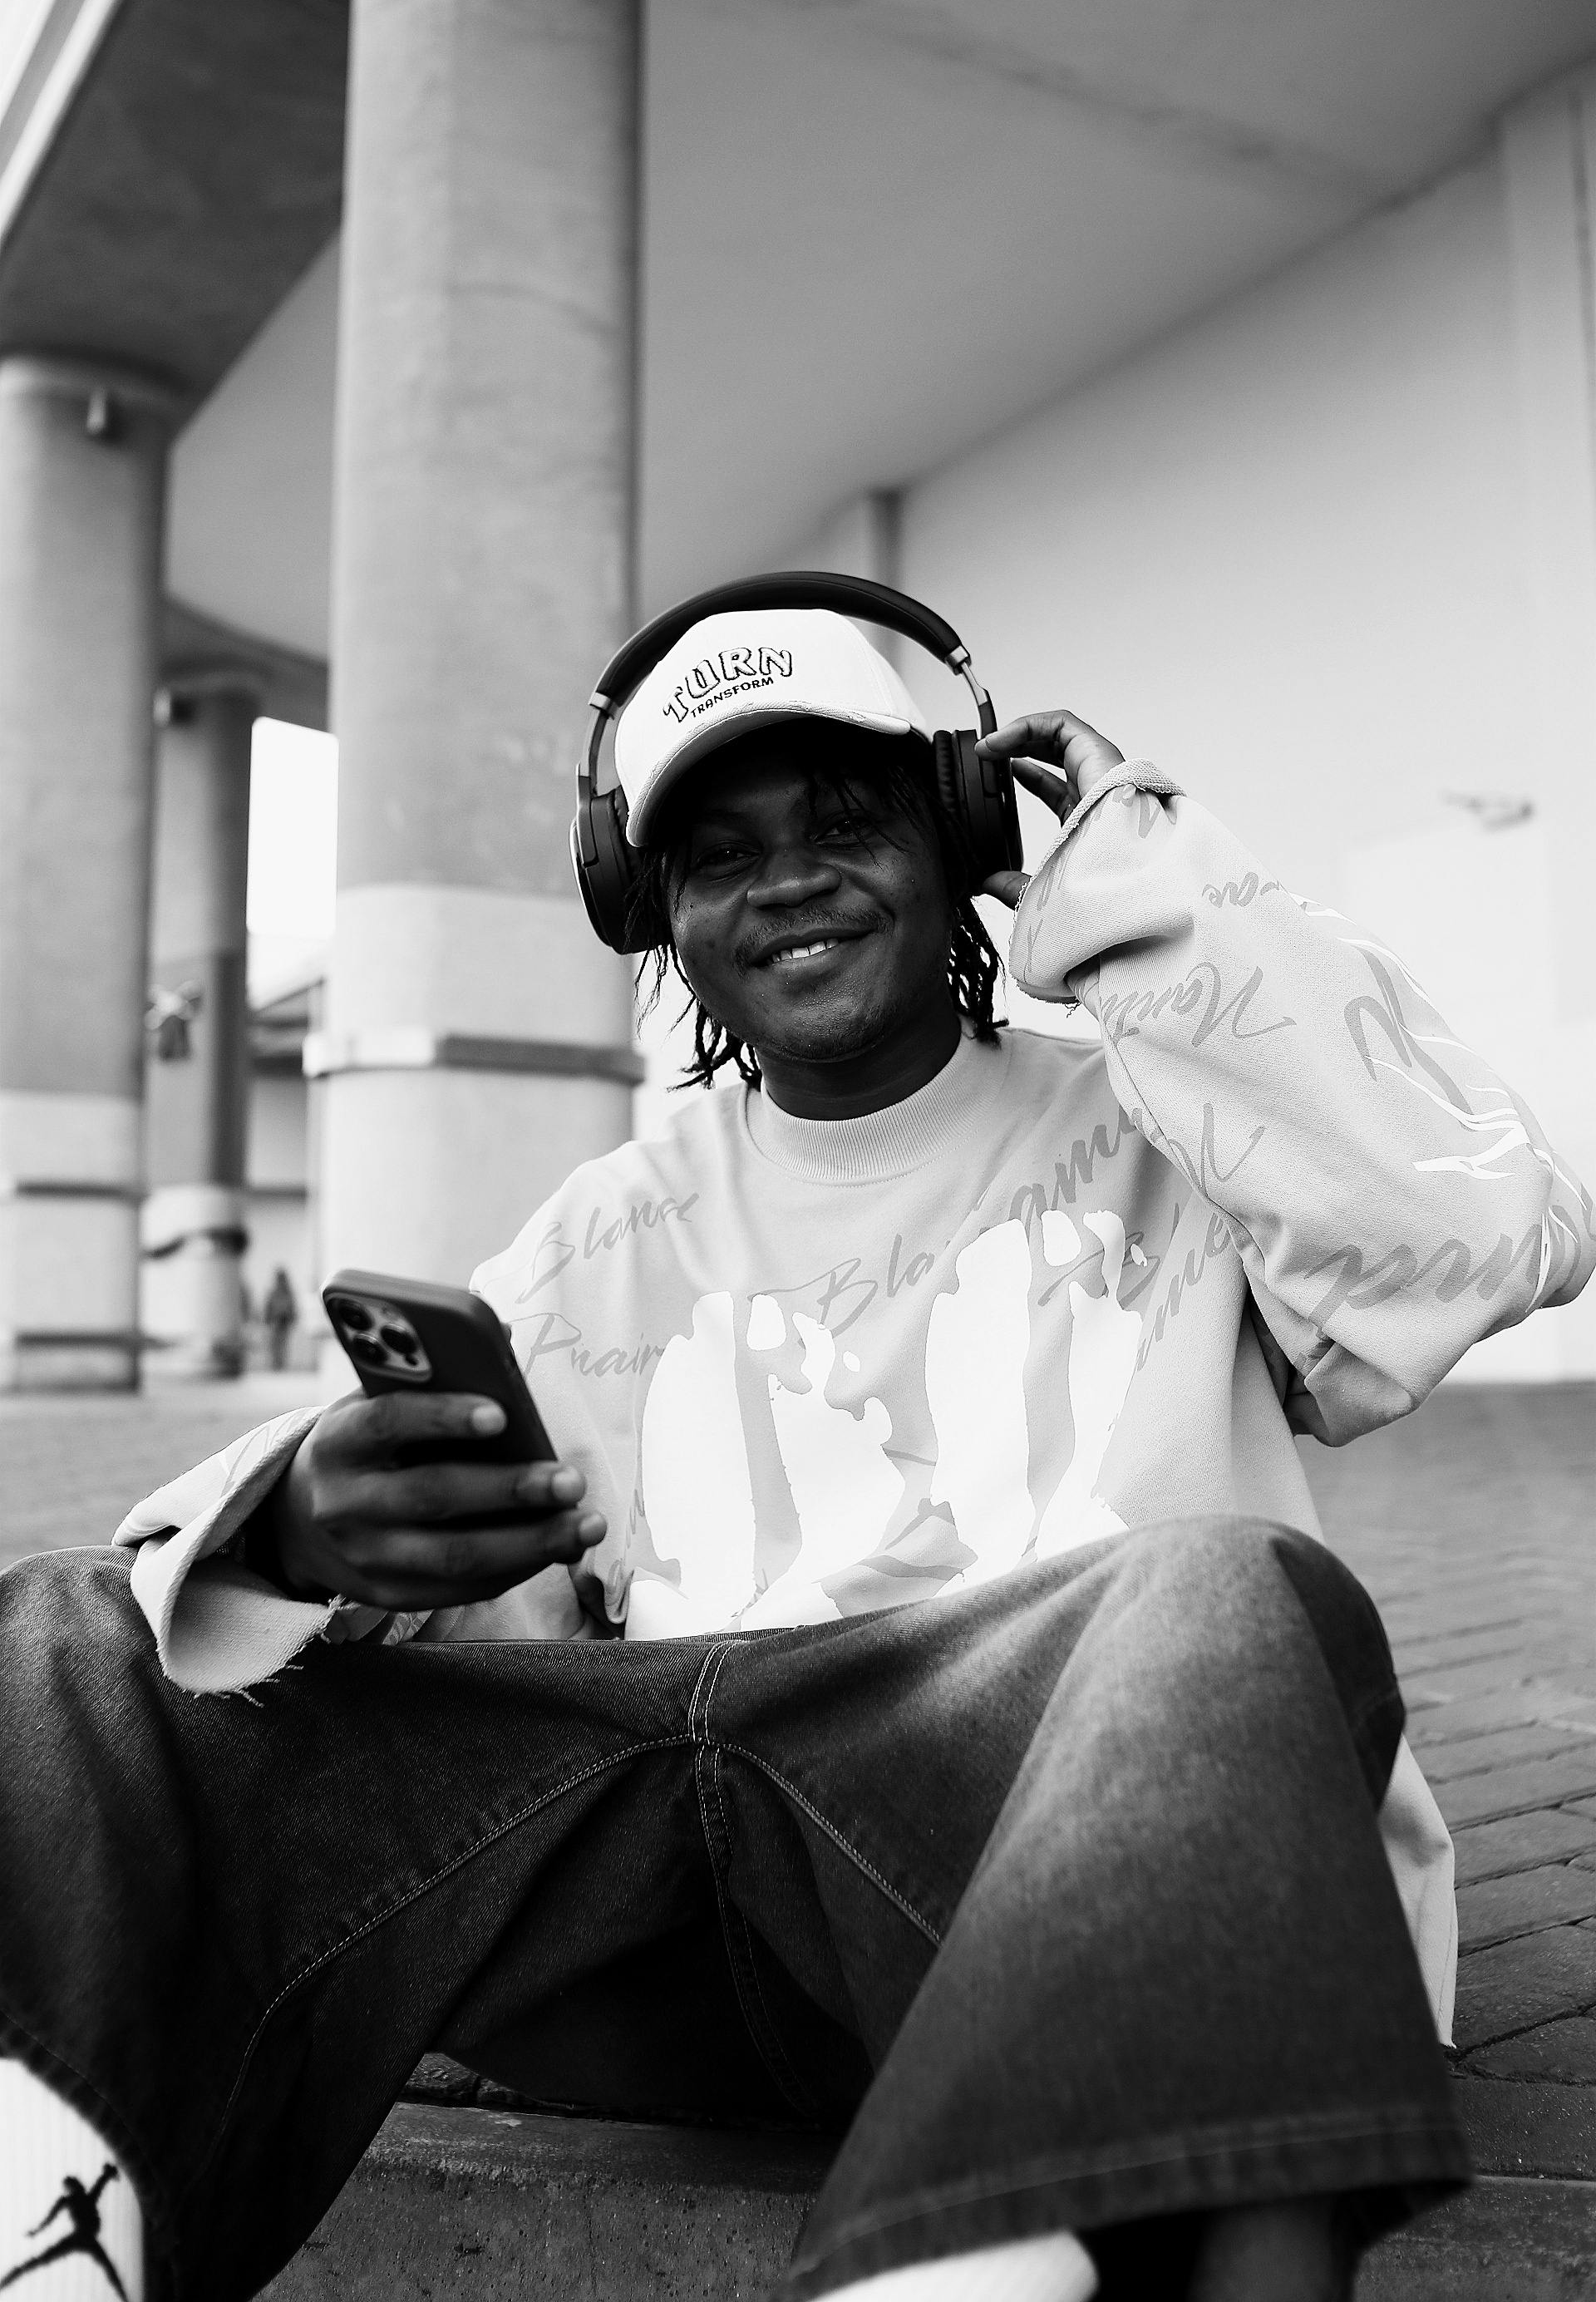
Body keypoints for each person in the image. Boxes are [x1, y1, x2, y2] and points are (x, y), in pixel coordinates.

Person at [2, 599, 1591, 2302]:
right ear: (659, 919)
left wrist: (1142, 890)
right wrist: (315, 1535)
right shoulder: (600, 1237)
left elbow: (1493, 1233)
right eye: (719, 853)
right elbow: (380, 1651)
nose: (789, 880)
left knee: (1221, 1595)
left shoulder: (1172, 1128)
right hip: (687, 1936)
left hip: (1076, 1903)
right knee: (67, 1635)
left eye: (848, 821)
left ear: (964, 839)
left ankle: (971, 2252)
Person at [260, 1269, 298, 1373]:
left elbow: (292, 1308)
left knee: (283, 1344)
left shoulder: (288, 1293)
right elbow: (268, 1307)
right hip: (274, 1322)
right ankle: (275, 1365)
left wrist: (292, 1319)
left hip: (284, 1322)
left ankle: (281, 1365)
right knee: (274, 1344)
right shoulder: (273, 1293)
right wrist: (267, 1320)